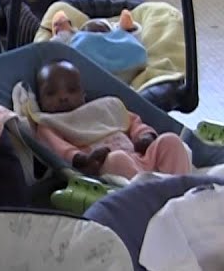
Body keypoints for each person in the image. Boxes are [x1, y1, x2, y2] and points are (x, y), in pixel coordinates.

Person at [28, 59, 191, 180]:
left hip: (140, 157)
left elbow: (133, 122)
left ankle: (178, 185)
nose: (63, 97)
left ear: (83, 94)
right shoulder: (49, 124)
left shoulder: (102, 108)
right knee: (117, 159)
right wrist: (83, 159)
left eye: (71, 90)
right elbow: (58, 148)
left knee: (170, 140)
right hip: (106, 168)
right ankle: (150, 193)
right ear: (39, 100)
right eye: (51, 93)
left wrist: (144, 136)